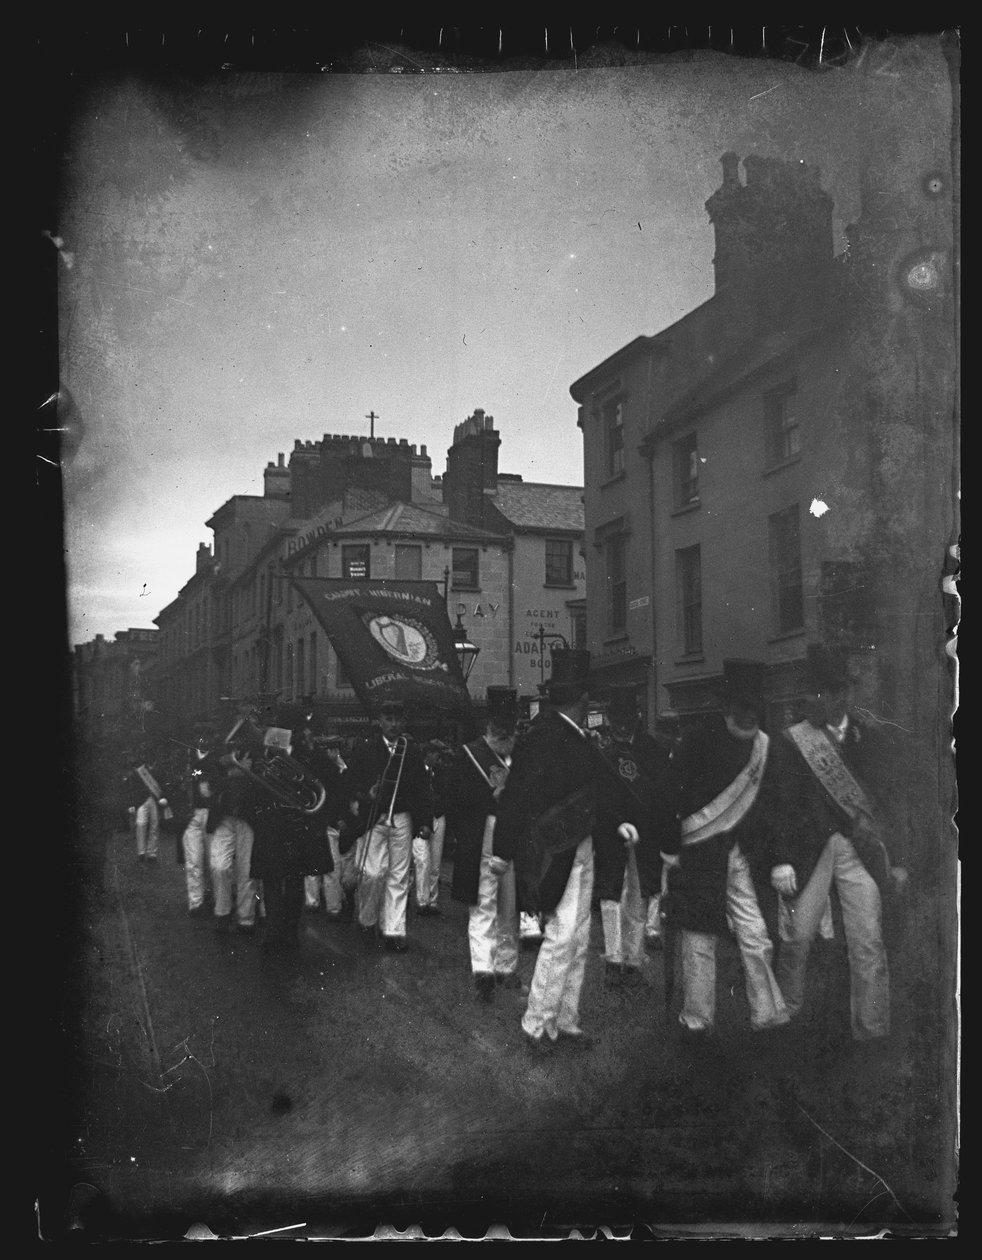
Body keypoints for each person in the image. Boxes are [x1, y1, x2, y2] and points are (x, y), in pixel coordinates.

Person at [493, 650, 640, 1052]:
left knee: (577, 935)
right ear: (582, 700)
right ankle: (538, 1024)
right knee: (562, 936)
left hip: (577, 844)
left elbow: (593, 796)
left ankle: (566, 1019)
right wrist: (504, 850)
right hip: (555, 850)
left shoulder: (558, 734)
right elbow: (520, 800)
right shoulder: (551, 737)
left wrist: (614, 824)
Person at [770, 644, 909, 1044]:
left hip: (858, 851)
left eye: (836, 691)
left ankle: (871, 1028)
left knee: (867, 940)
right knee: (796, 938)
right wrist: (782, 860)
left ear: (847, 694)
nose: (828, 699)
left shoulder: (873, 739)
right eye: (820, 692)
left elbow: (890, 804)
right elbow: (782, 805)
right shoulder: (792, 743)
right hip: (810, 852)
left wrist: (896, 859)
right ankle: (786, 1015)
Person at [661, 660, 790, 1040]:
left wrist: (779, 856)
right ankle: (696, 1020)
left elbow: (773, 805)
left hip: (740, 854)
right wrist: (669, 847)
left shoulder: (766, 747)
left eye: (755, 709)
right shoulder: (696, 742)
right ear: (726, 707)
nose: (750, 716)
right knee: (699, 939)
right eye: (742, 707)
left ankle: (768, 1015)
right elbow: (668, 795)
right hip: (699, 855)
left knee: (756, 935)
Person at [446, 692, 525, 1002]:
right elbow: (455, 799)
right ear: (489, 724)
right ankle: (483, 971)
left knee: (510, 903)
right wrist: (488, 799)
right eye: (500, 724)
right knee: (483, 902)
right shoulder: (469, 755)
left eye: (510, 724)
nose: (506, 731)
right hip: (482, 834)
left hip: (513, 834)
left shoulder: (519, 756)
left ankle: (506, 967)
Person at [595, 688, 672, 985]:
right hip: (610, 832)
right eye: (616, 718)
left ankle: (634, 959)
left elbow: (661, 793)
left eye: (627, 718)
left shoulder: (651, 749)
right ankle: (613, 960)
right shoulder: (601, 749)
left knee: (639, 898)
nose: (622, 725)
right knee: (611, 897)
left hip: (646, 835)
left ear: (637, 717)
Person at [344, 700, 434, 952]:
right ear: (379, 721)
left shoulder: (411, 750)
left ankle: (394, 930)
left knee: (399, 874)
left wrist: (425, 821)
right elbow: (350, 783)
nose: (393, 724)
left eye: (398, 719)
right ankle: (367, 920)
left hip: (403, 817)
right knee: (372, 873)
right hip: (375, 817)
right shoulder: (365, 749)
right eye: (388, 719)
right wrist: (366, 794)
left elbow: (422, 788)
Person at [244, 714, 334, 954]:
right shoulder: (262, 758)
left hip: (297, 826)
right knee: (271, 882)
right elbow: (252, 795)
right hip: (271, 825)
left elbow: (326, 783)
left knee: (294, 882)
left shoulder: (308, 757)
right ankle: (273, 931)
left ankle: (291, 931)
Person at [414, 740, 452, 917]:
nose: (437, 757)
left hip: (438, 816)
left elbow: (447, 794)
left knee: (435, 863)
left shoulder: (441, 772)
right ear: (428, 753)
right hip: (423, 818)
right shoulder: (418, 772)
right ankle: (422, 900)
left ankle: (433, 900)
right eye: (435, 753)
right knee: (422, 860)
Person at [183, 751, 223, 919]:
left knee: (213, 860)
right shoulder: (189, 757)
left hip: (212, 813)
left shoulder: (216, 758)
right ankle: (196, 902)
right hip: (192, 815)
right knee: (193, 860)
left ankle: (216, 899)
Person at [122, 751, 164, 863]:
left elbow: (161, 784)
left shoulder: (155, 770)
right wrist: (130, 804)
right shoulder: (136, 771)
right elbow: (130, 789)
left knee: (154, 826)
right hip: (140, 801)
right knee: (141, 825)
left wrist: (163, 798)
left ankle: (152, 853)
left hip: (154, 799)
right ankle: (141, 852)